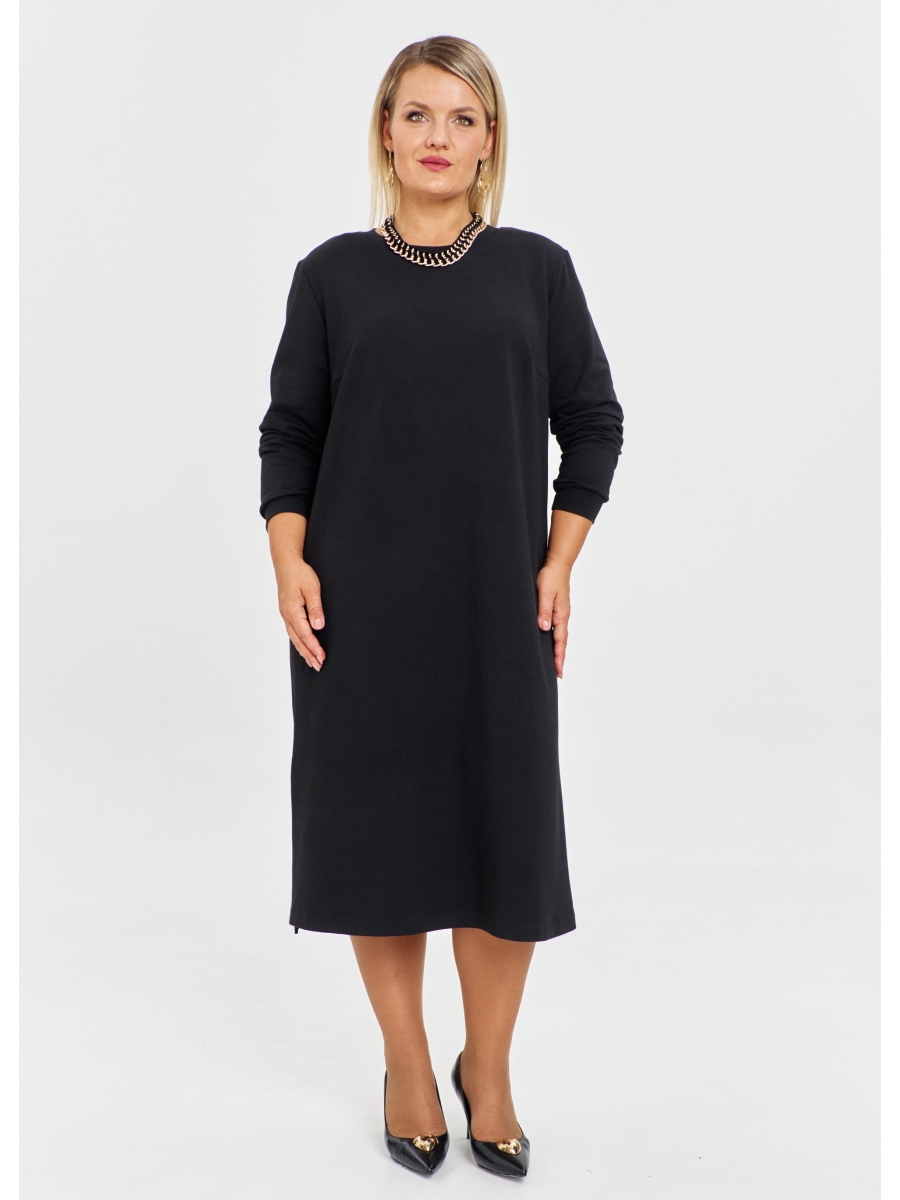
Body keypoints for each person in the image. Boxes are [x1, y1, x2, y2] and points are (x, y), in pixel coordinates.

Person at [258, 35, 624, 1178]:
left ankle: (490, 1068)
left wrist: (559, 561)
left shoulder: (536, 271)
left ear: (489, 140)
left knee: (504, 839)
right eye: (417, 114)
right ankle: (409, 1065)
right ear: (385, 130)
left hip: (496, 612)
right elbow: (291, 433)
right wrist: (288, 558)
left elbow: (594, 421)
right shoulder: (330, 275)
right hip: (358, 616)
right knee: (379, 842)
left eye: (462, 119)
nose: (437, 137)